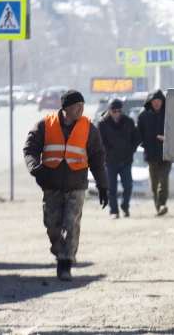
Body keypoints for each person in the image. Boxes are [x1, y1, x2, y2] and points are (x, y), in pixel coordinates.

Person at [24, 90, 108, 281]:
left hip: (76, 185)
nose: (81, 109)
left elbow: (97, 159)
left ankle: (65, 263)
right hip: (51, 184)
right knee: (52, 225)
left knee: (71, 224)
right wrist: (36, 169)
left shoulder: (89, 129)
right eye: (77, 106)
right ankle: (59, 250)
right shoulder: (45, 125)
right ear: (66, 108)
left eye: (83, 105)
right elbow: (30, 149)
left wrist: (103, 186)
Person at [97, 98, 141, 218]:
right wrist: (108, 152)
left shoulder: (128, 121)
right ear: (109, 110)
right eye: (114, 111)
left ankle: (125, 206)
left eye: (119, 111)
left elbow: (137, 137)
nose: (117, 113)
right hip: (110, 161)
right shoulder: (103, 123)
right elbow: (100, 142)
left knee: (128, 186)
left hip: (126, 159)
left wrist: (131, 149)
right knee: (111, 188)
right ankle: (114, 211)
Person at [137, 89, 171, 216]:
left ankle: (162, 204)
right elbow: (138, 133)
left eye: (159, 101)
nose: (156, 103)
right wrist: (144, 144)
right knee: (154, 183)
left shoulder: (169, 114)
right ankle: (158, 206)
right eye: (154, 101)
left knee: (163, 181)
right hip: (151, 154)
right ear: (150, 102)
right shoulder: (143, 115)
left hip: (166, 154)